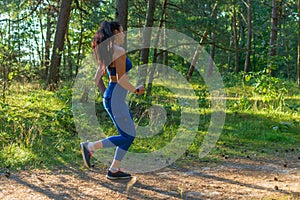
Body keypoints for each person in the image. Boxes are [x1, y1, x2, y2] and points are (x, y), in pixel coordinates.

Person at [80, 21, 145, 180]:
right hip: (115, 98)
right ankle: (90, 147)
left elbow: (97, 79)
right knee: (128, 136)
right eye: (122, 31)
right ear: (115, 33)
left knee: (127, 134)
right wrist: (136, 90)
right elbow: (122, 79)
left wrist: (107, 96)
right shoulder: (118, 51)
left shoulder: (106, 52)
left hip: (112, 97)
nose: (123, 35)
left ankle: (114, 169)